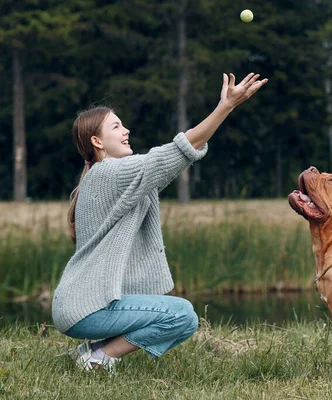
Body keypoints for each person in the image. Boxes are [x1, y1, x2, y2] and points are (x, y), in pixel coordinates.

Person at [52, 72, 268, 371]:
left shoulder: (101, 177)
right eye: (116, 126)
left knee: (163, 309)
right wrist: (225, 107)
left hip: (77, 307)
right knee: (182, 316)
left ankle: (85, 352)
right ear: (97, 141)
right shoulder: (109, 174)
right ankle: (99, 359)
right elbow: (175, 152)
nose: (126, 130)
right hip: (85, 309)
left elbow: (164, 164)